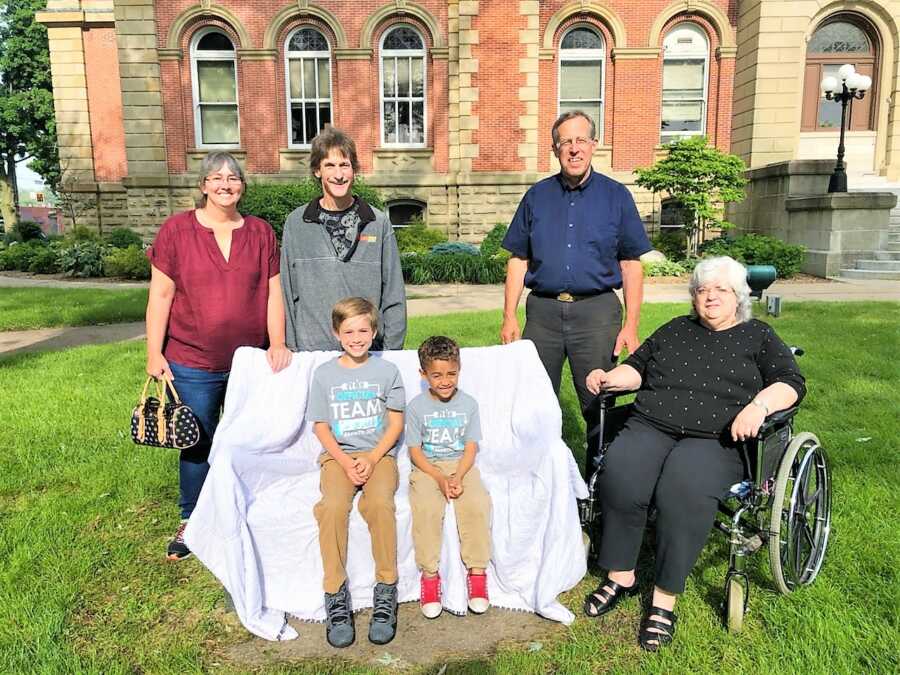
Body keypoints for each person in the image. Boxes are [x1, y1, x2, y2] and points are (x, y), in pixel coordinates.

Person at [582, 256, 806, 651]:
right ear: (694, 297)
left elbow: (790, 383)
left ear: (738, 296)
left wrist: (758, 407)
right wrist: (609, 378)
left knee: (681, 492)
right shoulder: (675, 330)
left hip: (715, 438)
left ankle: (663, 601)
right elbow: (637, 367)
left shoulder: (758, 336)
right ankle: (621, 576)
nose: (710, 297)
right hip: (652, 423)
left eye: (720, 290)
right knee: (619, 472)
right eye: (703, 290)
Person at [145, 151, 292, 562]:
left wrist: (276, 343)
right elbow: (161, 294)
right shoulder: (177, 231)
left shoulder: (261, 233)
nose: (226, 184)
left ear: (242, 186)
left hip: (251, 362)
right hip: (192, 361)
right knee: (199, 442)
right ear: (203, 185)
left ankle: (246, 511)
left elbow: (273, 293)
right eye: (217, 177)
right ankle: (192, 519)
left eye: (233, 177)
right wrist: (153, 351)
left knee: (251, 439)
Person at [500, 110, 652, 426]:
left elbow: (631, 264)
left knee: (599, 403)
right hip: (542, 315)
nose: (574, 148)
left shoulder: (616, 196)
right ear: (555, 149)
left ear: (593, 145)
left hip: (596, 314)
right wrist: (509, 316)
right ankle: (540, 471)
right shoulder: (536, 196)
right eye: (565, 141)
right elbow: (518, 259)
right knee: (533, 402)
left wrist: (631, 325)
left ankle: (600, 473)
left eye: (581, 140)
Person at [307, 297, 405, 648]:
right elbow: (320, 427)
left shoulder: (387, 372)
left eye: (364, 330)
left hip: (379, 456)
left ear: (374, 332)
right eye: (349, 331)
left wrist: (375, 457)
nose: (357, 337)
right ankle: (335, 595)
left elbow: (395, 423)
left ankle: (386, 589)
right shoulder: (325, 375)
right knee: (332, 508)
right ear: (337, 333)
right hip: (339, 457)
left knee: (379, 504)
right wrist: (347, 463)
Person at [280, 126, 406, 352]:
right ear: (317, 170)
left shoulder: (377, 223)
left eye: (344, 165)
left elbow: (393, 294)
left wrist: (391, 352)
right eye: (330, 165)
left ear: (354, 170)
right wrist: (292, 349)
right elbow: (287, 293)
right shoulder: (297, 223)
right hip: (312, 353)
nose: (338, 175)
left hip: (366, 354)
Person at [406, 336, 492, 619]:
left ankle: (477, 573)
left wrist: (458, 475)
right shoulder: (417, 407)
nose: (445, 381)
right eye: (437, 375)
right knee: (427, 509)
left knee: (477, 504)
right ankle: (430, 577)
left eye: (451, 374)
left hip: (461, 465)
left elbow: (470, 447)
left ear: (459, 370)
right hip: (428, 467)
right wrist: (439, 478)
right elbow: (415, 452)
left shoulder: (468, 404)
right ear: (423, 375)